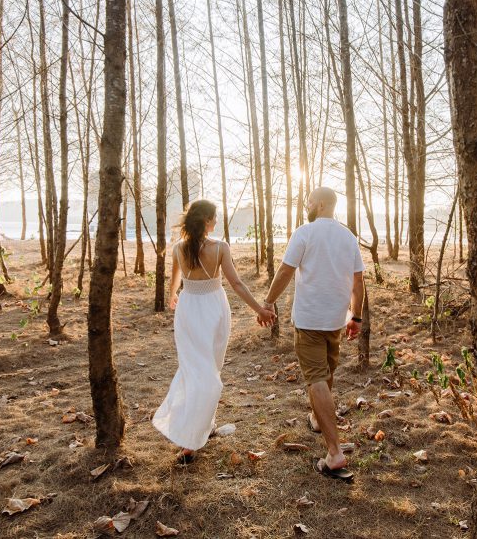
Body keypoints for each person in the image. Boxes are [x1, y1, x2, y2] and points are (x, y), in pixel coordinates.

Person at [152, 200, 276, 464]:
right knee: (209, 371)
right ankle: (190, 440)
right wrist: (260, 309)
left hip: (188, 309)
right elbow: (237, 283)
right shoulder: (220, 248)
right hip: (214, 309)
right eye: (215, 218)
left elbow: (174, 280)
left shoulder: (178, 248)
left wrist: (174, 295)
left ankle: (204, 426)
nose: (216, 222)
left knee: (196, 369)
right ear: (207, 220)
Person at [263, 187, 364, 483]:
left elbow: (284, 271)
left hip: (309, 319)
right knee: (325, 374)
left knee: (318, 378)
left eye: (308, 202)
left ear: (319, 204)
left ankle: (334, 454)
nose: (306, 206)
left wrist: (268, 302)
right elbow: (358, 282)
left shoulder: (305, 232)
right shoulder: (348, 236)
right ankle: (317, 420)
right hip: (335, 320)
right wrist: (355, 316)